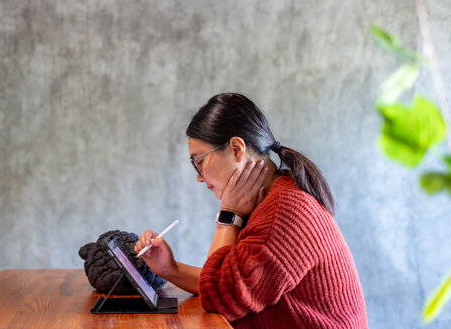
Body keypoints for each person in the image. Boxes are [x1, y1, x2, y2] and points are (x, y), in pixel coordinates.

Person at [134, 93, 368, 328]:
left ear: (237, 149)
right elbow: (229, 280)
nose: (199, 177)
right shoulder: (272, 200)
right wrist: (169, 268)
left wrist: (228, 216)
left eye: (199, 162)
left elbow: (219, 298)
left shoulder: (285, 211)